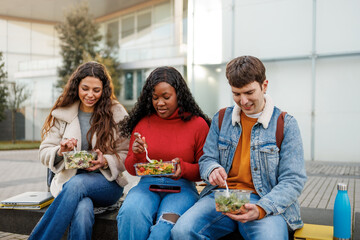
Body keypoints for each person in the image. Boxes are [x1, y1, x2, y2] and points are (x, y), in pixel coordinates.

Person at [171, 56, 307, 240]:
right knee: (181, 231)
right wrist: (212, 169)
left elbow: (293, 180)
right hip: (221, 198)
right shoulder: (221, 118)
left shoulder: (286, 124)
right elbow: (206, 159)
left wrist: (261, 208)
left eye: (249, 92)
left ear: (264, 86)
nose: (243, 101)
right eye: (236, 94)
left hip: (265, 200)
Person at [29, 61, 130, 240]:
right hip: (68, 182)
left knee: (78, 184)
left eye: (96, 90)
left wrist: (106, 160)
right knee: (82, 211)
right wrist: (60, 151)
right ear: (77, 86)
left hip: (106, 184)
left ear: (104, 90)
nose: (90, 95)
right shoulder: (63, 113)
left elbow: (127, 153)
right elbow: (44, 152)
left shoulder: (116, 113)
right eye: (85, 88)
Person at [116, 66, 211, 240]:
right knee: (130, 215)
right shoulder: (143, 123)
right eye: (155, 98)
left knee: (164, 230)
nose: (159, 103)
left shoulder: (198, 125)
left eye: (166, 97)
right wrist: (137, 155)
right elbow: (131, 169)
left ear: (179, 95)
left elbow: (204, 169)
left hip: (182, 189)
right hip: (146, 187)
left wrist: (183, 169)